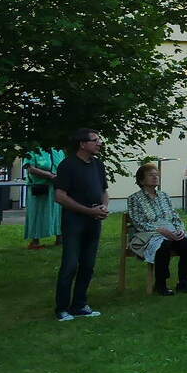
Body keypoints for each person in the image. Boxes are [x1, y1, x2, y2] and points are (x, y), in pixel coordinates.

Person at [53, 128, 109, 321]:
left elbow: (103, 190)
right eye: (95, 140)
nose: (99, 143)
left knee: (88, 265)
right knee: (70, 265)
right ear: (82, 144)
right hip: (74, 222)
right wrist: (88, 211)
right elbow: (60, 196)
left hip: (94, 221)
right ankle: (62, 308)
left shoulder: (98, 165)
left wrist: (103, 207)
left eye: (99, 140)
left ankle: (79, 305)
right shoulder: (67, 165)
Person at [125, 162, 187, 296]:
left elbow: (175, 216)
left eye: (156, 175)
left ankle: (183, 281)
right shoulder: (134, 199)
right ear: (141, 180)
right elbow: (138, 222)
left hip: (171, 231)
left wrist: (180, 229)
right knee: (163, 245)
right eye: (151, 175)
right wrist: (160, 230)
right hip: (150, 233)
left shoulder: (164, 196)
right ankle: (161, 284)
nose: (155, 177)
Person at [22, 144, 64, 249]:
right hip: (39, 187)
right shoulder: (33, 150)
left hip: (56, 187)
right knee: (37, 213)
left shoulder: (58, 150)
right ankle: (35, 241)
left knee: (58, 213)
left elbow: (64, 167)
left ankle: (60, 238)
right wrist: (49, 175)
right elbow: (30, 168)